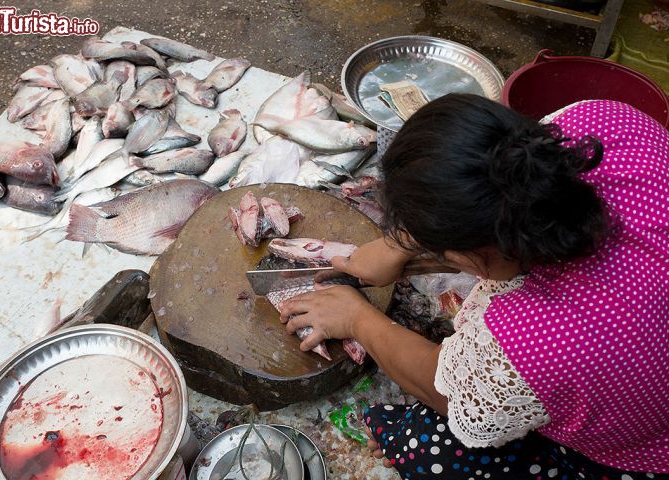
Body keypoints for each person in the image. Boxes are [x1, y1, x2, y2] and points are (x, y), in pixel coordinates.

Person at [278, 94, 669, 479]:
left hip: (648, 446)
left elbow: (444, 392)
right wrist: (400, 242)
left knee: (429, 445)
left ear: (469, 255)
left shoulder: (539, 341)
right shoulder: (603, 122)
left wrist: (357, 317)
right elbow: (499, 184)